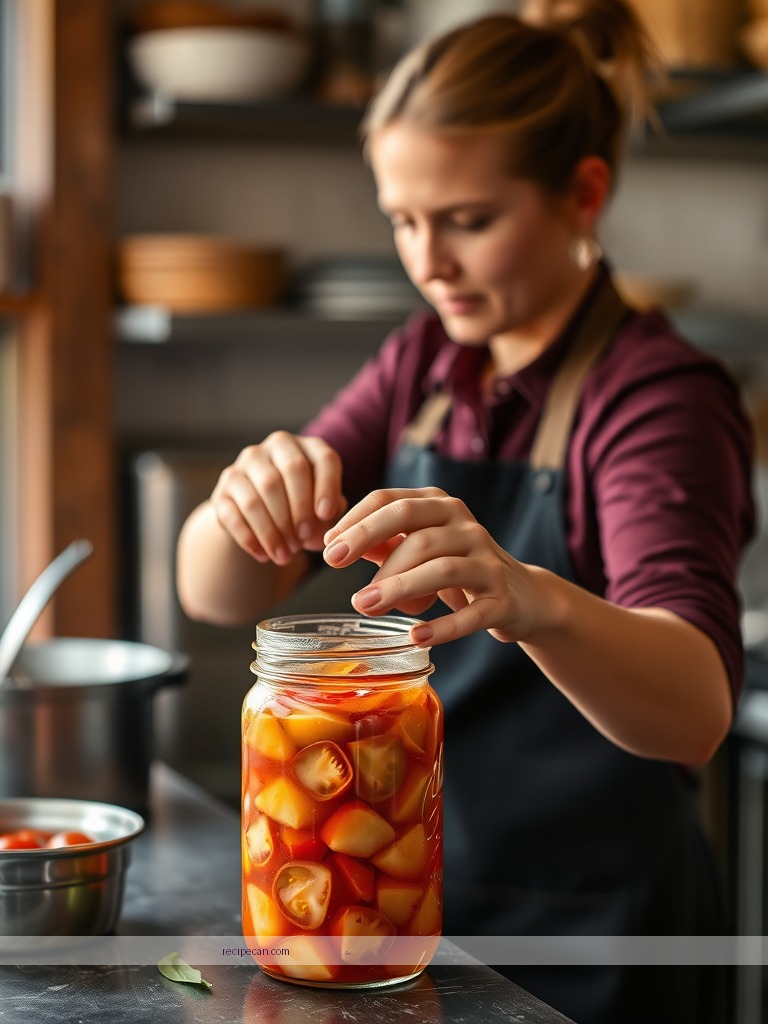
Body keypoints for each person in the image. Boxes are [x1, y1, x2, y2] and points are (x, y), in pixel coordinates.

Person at [176, 1, 755, 1021]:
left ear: (584, 195)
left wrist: (533, 599)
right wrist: (241, 504)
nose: (428, 261)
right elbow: (217, 593)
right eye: (403, 220)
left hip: (596, 934)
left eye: (467, 220)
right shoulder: (426, 364)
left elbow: (696, 709)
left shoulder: (658, 398)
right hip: (414, 916)